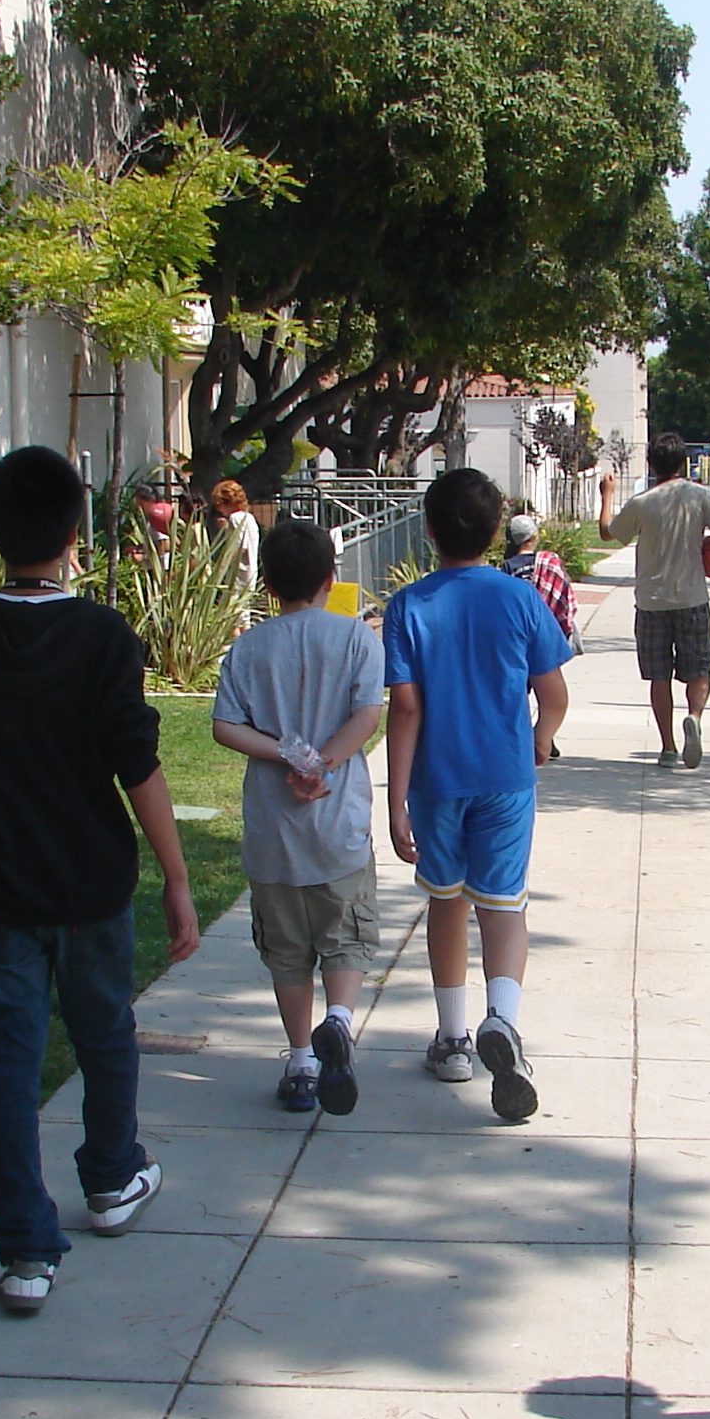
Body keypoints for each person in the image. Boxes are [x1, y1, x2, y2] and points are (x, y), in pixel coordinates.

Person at [0, 448, 202, 1316]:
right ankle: (111, 1177)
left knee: (7, 1064)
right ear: (76, 532)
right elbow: (136, 765)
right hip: (90, 881)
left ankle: (25, 1251)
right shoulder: (104, 637)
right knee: (104, 1033)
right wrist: (176, 877)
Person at [384, 468, 573, 1120]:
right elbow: (554, 695)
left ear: (429, 530)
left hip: (437, 782)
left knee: (447, 901)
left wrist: (395, 800)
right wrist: (541, 739)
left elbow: (405, 709)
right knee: (504, 905)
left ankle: (453, 1039)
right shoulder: (521, 599)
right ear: (496, 531)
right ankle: (504, 1021)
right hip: (504, 778)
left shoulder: (408, 606)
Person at [212, 520, 386, 1116]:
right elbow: (368, 714)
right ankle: (338, 1021)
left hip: (273, 830)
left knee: (287, 949)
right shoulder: (356, 638)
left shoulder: (249, 647)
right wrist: (324, 762)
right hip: (340, 823)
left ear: (267, 583)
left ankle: (302, 1061)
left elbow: (225, 726)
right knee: (346, 937)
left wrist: (288, 754)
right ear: (330, 579)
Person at [597, 434, 710, 766]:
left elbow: (607, 532)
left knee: (659, 677)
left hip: (651, 602)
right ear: (683, 463)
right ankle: (695, 717)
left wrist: (607, 495)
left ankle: (669, 748)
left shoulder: (642, 502)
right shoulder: (699, 495)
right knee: (699, 670)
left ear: (651, 465)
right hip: (692, 598)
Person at [501, 513, 580, 648]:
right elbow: (563, 593)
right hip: (547, 628)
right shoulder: (549, 562)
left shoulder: (509, 565)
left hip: (520, 626)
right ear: (535, 537)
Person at [210, 479, 262, 585]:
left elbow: (239, 545)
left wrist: (222, 566)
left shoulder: (235, 518)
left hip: (238, 573)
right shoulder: (248, 517)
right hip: (251, 571)